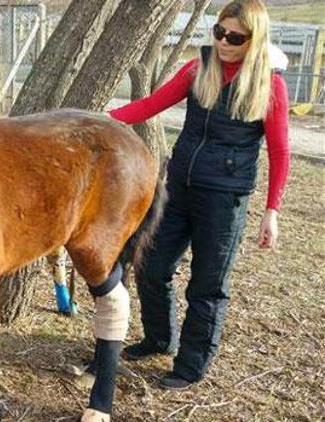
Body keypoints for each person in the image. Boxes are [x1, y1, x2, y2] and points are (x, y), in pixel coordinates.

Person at [108, 0, 290, 390]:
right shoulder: (198, 68)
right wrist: (102, 119)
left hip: (226, 200)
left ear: (253, 39)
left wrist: (271, 210)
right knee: (151, 268)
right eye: (219, 33)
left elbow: (280, 151)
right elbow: (151, 105)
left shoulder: (269, 85)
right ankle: (159, 339)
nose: (224, 42)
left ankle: (191, 365)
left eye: (235, 37)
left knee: (207, 286)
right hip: (178, 189)